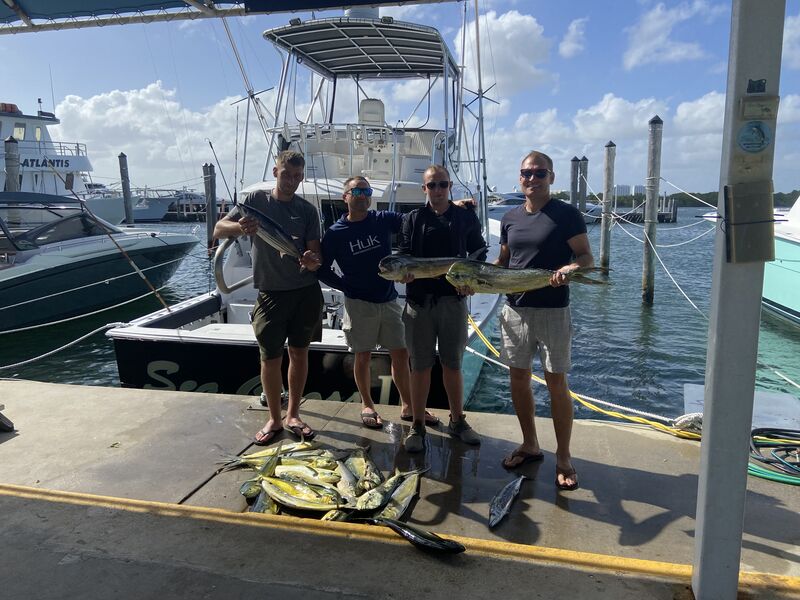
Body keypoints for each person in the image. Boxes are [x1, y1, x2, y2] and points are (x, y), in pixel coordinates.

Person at [496, 150, 594, 491]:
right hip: (515, 309)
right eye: (526, 173)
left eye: (539, 173)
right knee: (518, 379)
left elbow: (586, 258)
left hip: (554, 310)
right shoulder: (509, 217)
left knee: (556, 384)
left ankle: (564, 457)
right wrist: (475, 281)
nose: (532, 179)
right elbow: (504, 263)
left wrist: (569, 269)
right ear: (519, 177)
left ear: (552, 177)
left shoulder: (567, 215)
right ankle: (530, 444)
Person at [213, 150, 323, 445]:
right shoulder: (254, 202)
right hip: (271, 293)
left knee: (300, 354)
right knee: (270, 358)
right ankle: (274, 417)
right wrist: (239, 228)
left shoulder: (308, 210)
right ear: (276, 172)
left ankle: (294, 414)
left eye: (298, 177)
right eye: (287, 174)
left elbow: (315, 254)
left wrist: (311, 259)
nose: (292, 181)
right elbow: (218, 228)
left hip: (305, 293)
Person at [400, 164, 487, 453]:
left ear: (450, 187)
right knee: (420, 366)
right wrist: (405, 273)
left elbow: (479, 251)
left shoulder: (464, 217)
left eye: (442, 184)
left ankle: (458, 420)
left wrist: (471, 281)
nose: (437, 190)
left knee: (452, 364)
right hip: (419, 304)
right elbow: (402, 255)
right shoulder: (412, 219)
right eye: (432, 185)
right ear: (424, 189)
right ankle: (417, 425)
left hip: (453, 302)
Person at [317, 176, 412, 428]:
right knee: (362, 356)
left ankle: (408, 405)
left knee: (401, 354)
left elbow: (413, 221)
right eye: (356, 190)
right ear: (345, 197)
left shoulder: (382, 220)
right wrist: (345, 286)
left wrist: (452, 205)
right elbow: (322, 269)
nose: (362, 195)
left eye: (366, 190)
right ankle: (367, 405)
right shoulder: (335, 233)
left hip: (389, 300)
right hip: (359, 304)